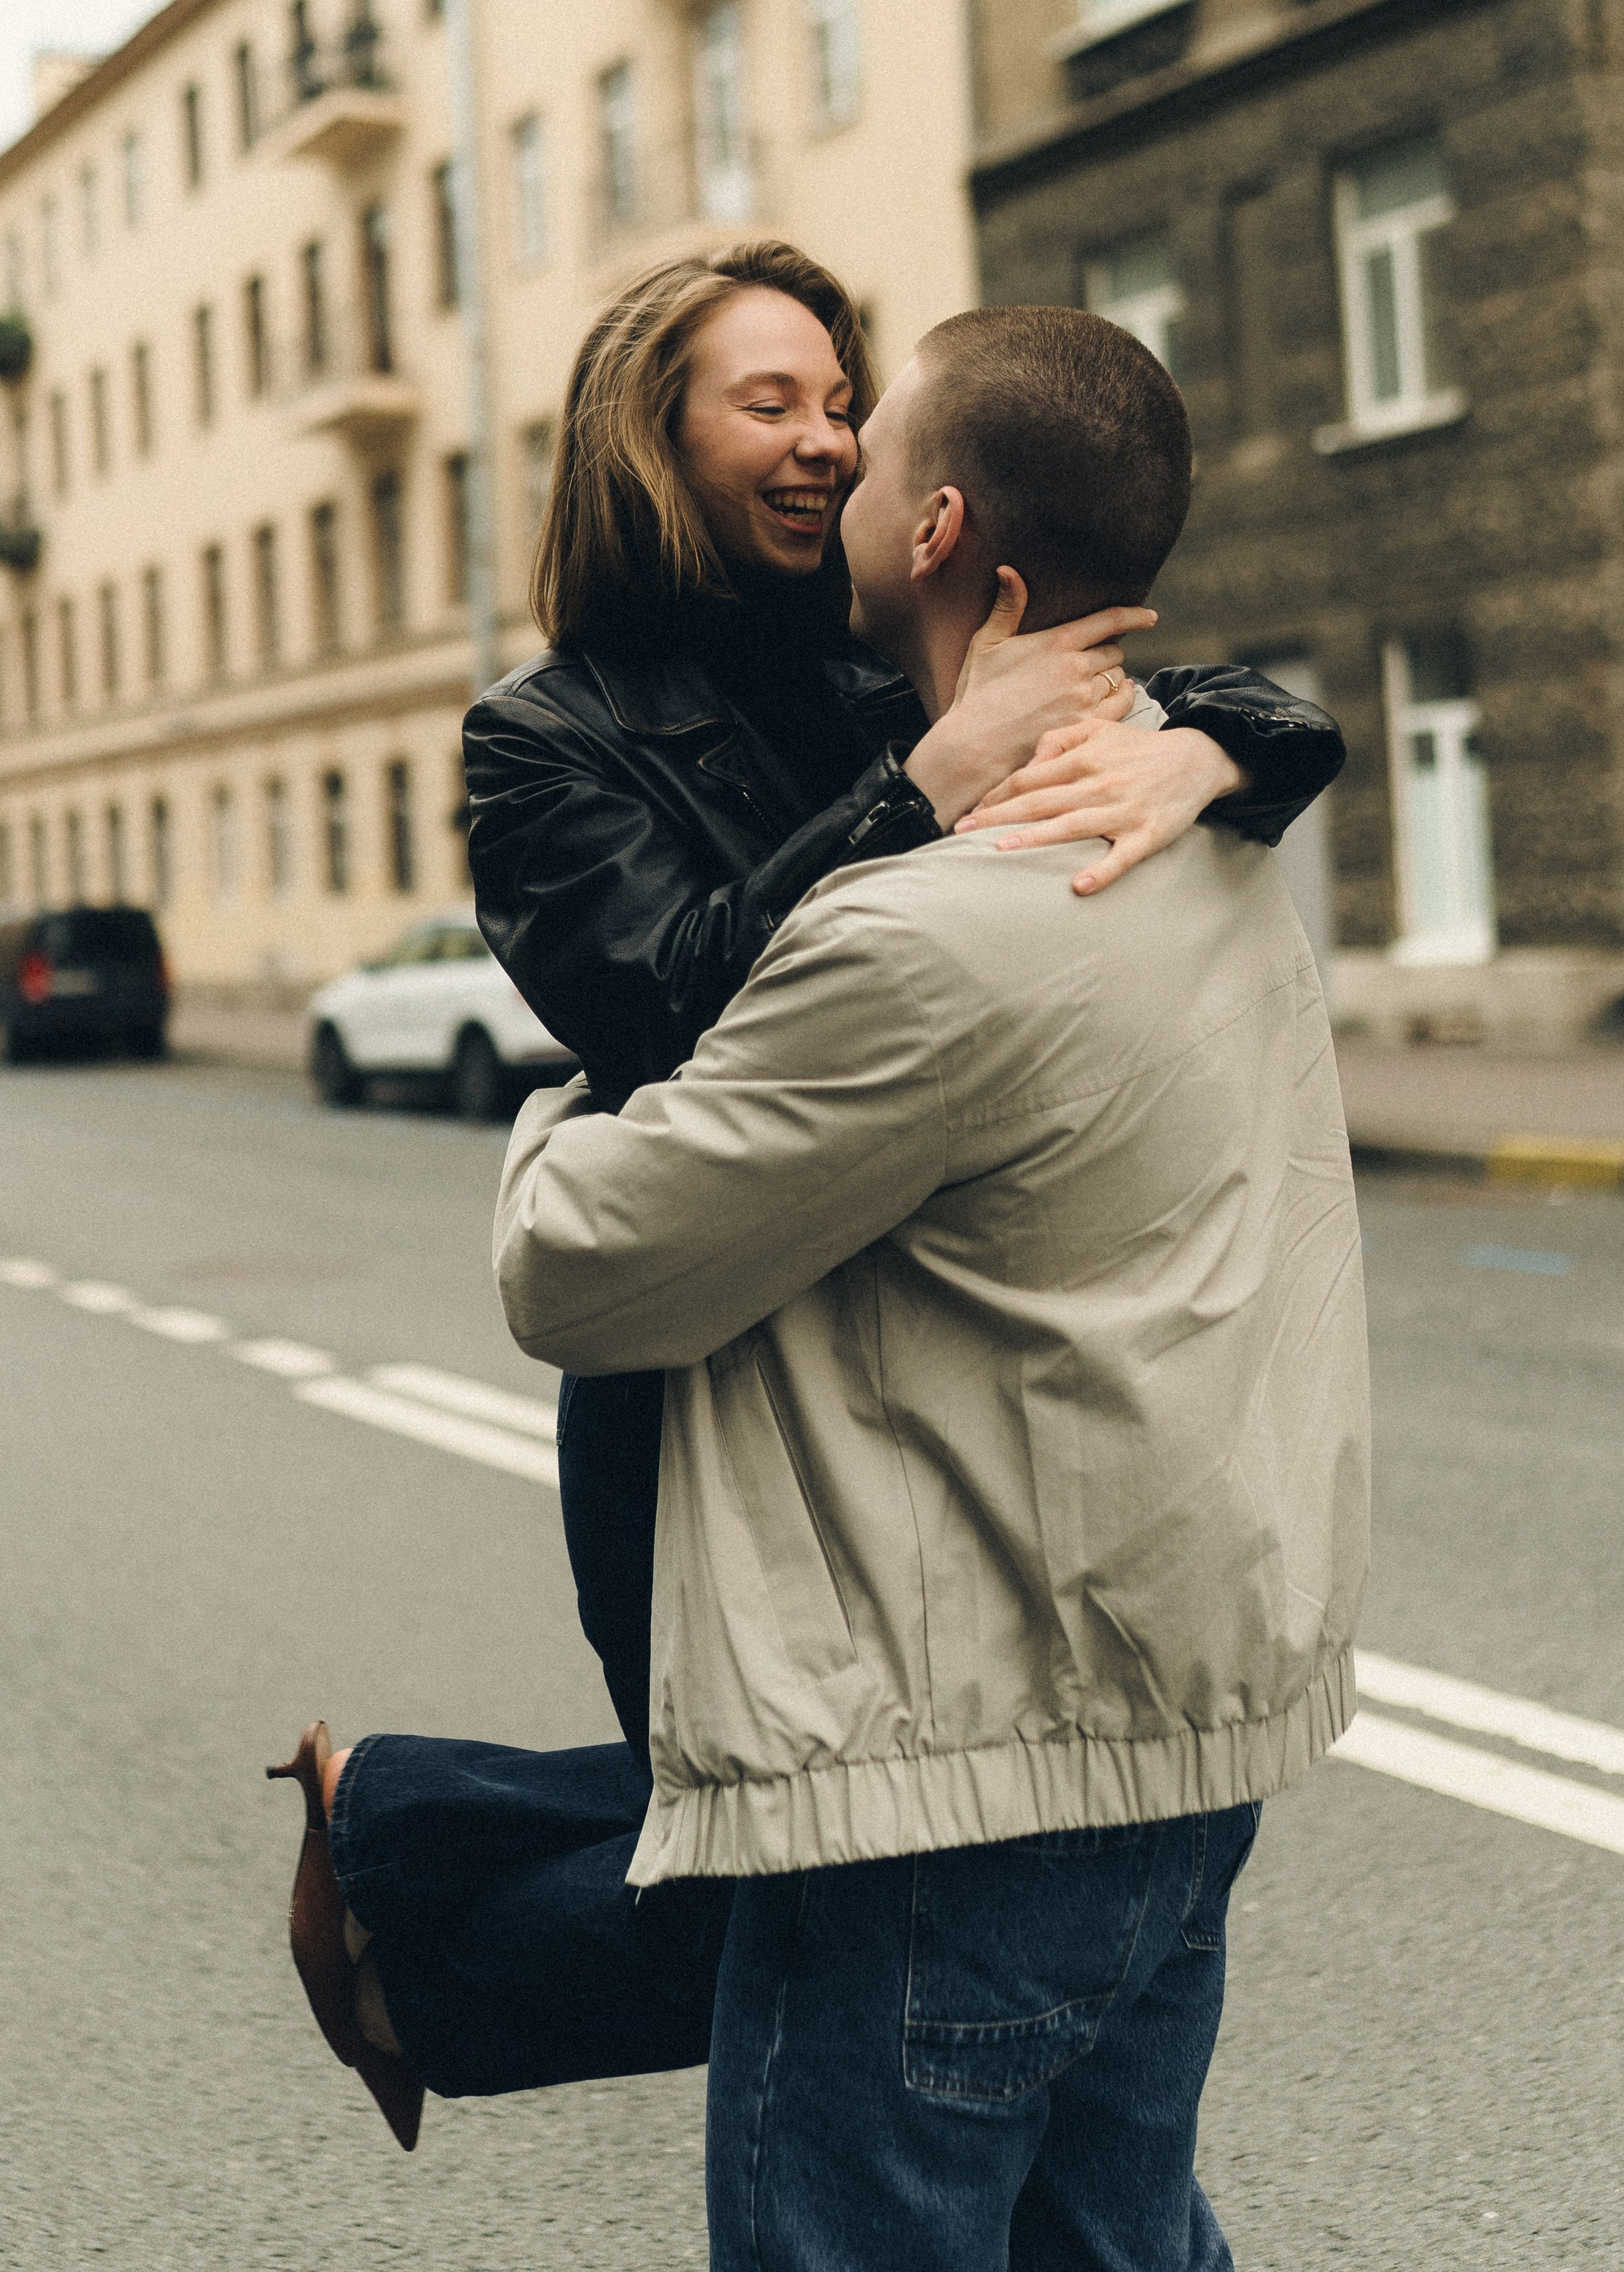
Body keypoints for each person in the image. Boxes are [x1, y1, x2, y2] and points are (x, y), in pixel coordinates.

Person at [270, 246, 1346, 2139]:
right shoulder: (551, 742)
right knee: (793, 1842)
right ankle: (419, 1918)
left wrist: (1209, 743)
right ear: (648, 440)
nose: (819, 436)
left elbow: (1199, 677)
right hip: (695, 1371)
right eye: (768, 403)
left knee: (855, 1853)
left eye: (840, 405)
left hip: (909, 1335)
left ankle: (407, 1839)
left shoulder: (893, 641)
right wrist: (914, 800)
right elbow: (669, 1009)